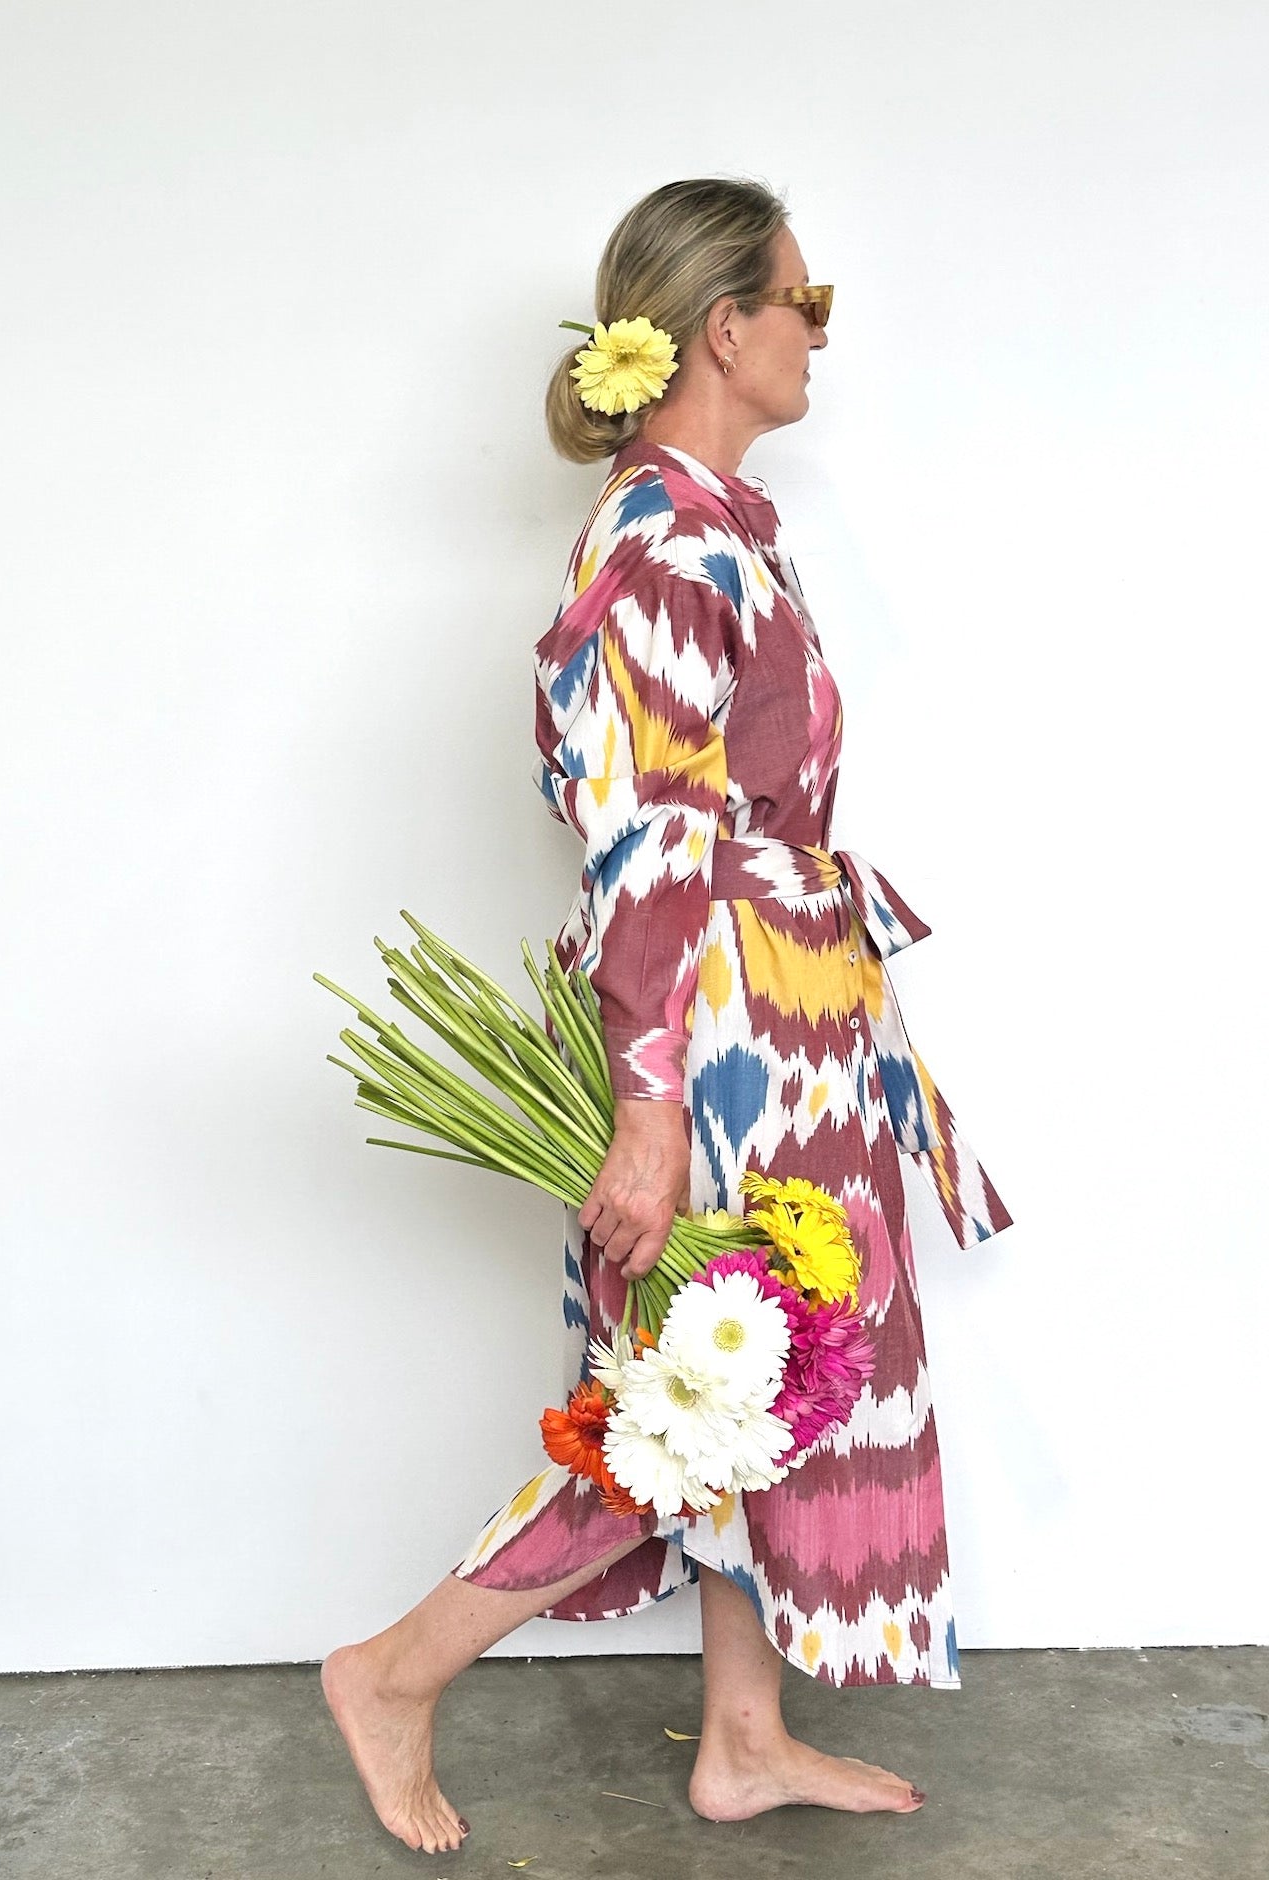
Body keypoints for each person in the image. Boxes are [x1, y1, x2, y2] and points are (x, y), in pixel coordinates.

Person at [322, 175, 1012, 1858]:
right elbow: (645, 846)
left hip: (785, 1019)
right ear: (724, 327)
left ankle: (744, 1742)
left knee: (765, 1384)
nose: (817, 336)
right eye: (804, 303)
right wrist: (647, 1110)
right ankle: (394, 1672)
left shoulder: (721, 528)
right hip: (719, 1041)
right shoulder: (661, 545)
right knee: (698, 1394)